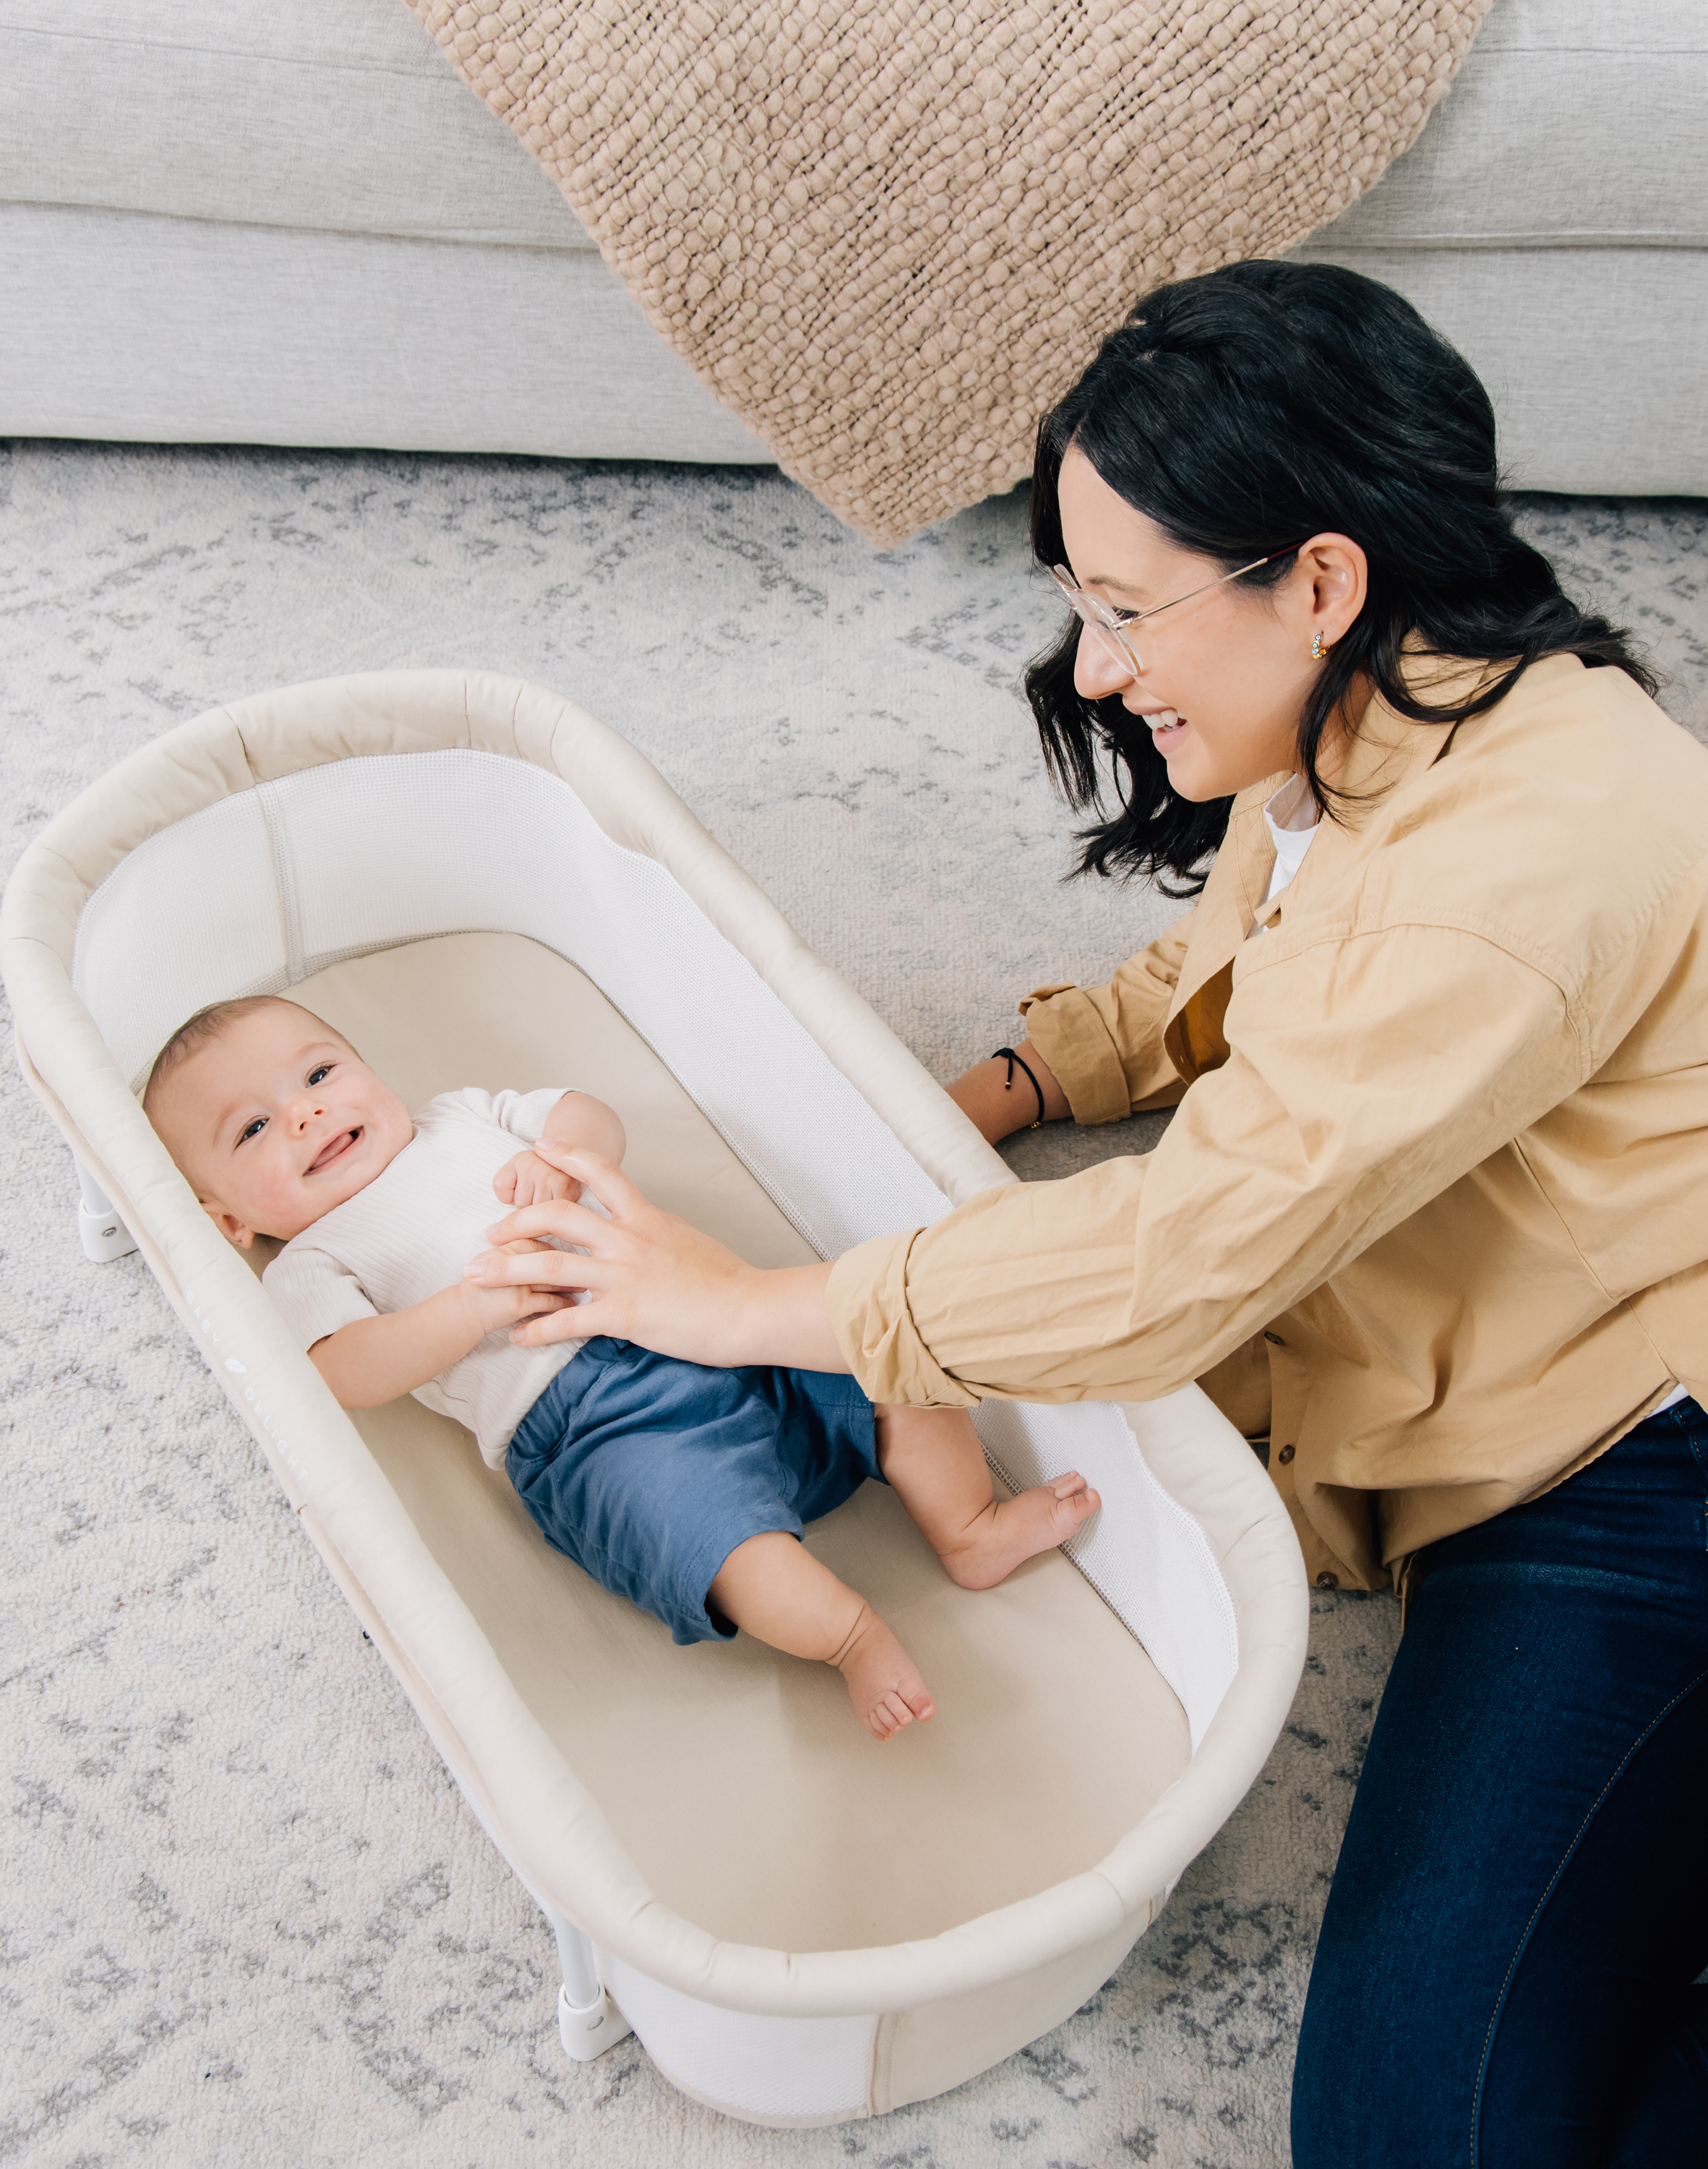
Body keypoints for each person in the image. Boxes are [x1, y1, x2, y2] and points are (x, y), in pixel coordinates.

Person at [463, 262, 1708, 2165]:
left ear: (1316, 579)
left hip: (1641, 1460)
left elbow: (1177, 1261)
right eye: (1080, 604)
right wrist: (1005, 1087)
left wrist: (748, 1303)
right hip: (1489, 1401)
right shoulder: (1364, 721)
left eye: (1128, 613)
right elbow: (1241, 968)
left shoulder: (1507, 871)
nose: (1103, 668)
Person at [140, 993, 1098, 1739]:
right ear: (232, 1221)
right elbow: (344, 1371)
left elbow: (591, 1115)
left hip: (706, 1312)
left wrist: (563, 1158)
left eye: (319, 1072)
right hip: (593, 1430)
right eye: (255, 1130)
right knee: (720, 1545)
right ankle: (850, 1636)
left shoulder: (457, 1117)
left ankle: (966, 1528)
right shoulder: (311, 1258)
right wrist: (467, 1307)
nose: (306, 1114)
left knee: (887, 1353)